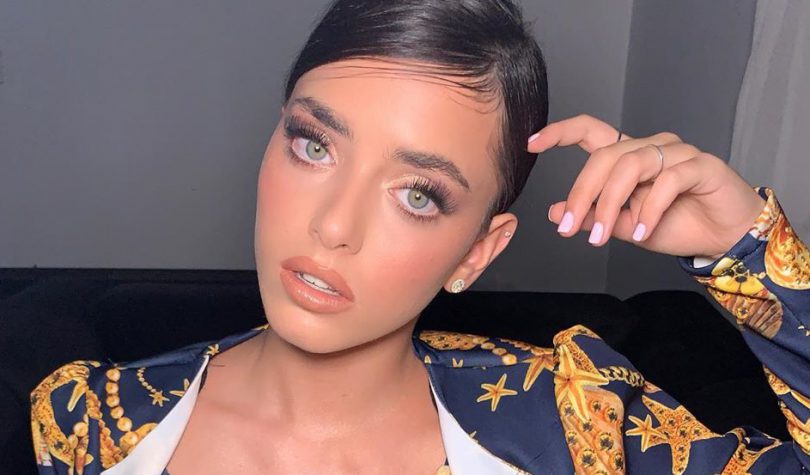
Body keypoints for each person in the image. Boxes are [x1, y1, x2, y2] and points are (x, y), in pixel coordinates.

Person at [29, 0, 809, 474]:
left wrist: (748, 248)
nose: (333, 225)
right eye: (313, 145)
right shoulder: (91, 424)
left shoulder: (580, 422)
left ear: (478, 251)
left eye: (418, 194)